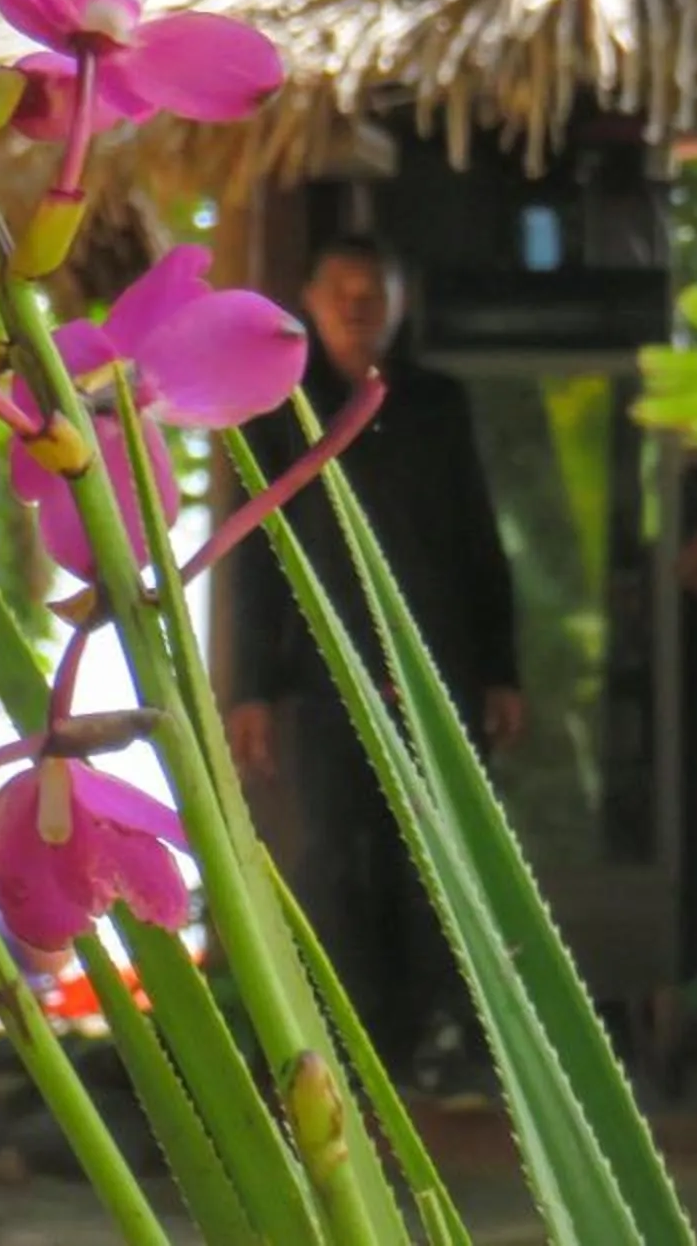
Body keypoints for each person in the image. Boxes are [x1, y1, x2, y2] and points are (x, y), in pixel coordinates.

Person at [224, 233, 524, 1088]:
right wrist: (251, 687)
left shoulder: (435, 402)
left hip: (438, 669)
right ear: (313, 304)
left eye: (375, 293)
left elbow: (478, 541)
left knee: (437, 854)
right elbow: (254, 555)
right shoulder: (277, 407)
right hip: (322, 674)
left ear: (399, 304)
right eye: (343, 292)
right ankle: (348, 1048)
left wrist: (503, 670)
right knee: (331, 855)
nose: (358, 307)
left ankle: (442, 1041)